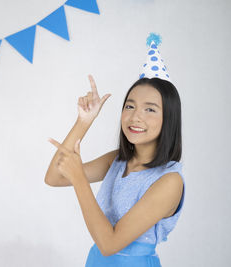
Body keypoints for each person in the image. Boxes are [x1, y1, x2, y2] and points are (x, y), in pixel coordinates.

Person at [45, 73, 185, 266]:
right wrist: (84, 121)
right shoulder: (117, 161)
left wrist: (79, 178)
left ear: (169, 118)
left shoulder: (169, 181)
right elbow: (54, 177)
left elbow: (109, 244)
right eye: (130, 106)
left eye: (150, 109)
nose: (136, 116)